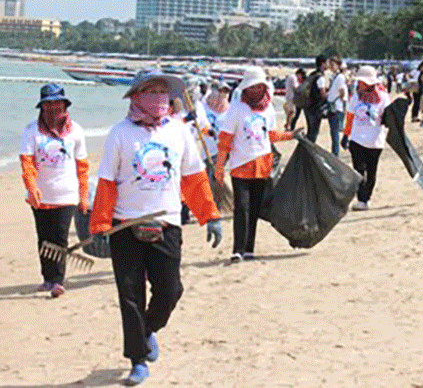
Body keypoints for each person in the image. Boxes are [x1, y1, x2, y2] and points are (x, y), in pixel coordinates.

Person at [90, 70, 222, 386]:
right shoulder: (120, 133)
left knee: (170, 289)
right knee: (130, 294)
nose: (159, 98)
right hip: (126, 225)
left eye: (163, 92)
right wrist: (100, 224)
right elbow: (107, 181)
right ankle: (137, 359)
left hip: (167, 223)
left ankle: (148, 330)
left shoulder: (178, 132)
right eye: (151, 91)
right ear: (137, 97)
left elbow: (194, 177)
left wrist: (210, 215)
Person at [215, 67, 296, 262]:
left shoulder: (268, 109)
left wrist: (291, 135)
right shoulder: (236, 108)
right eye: (254, 86)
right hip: (240, 166)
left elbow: (271, 136)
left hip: (262, 165)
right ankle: (237, 250)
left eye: (260, 86)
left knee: (255, 209)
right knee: (241, 208)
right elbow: (225, 139)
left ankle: (249, 249)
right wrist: (219, 167)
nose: (257, 90)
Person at [20, 84, 89, 298]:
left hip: (66, 194)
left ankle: (58, 281)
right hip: (40, 195)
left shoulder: (76, 131)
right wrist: (32, 188)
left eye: (56, 103)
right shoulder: (31, 131)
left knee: (59, 237)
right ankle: (47, 278)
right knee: (44, 238)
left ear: (64, 105)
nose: (52, 108)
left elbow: (82, 166)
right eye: (48, 104)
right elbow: (27, 163)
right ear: (41, 107)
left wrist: (84, 196)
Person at [341, 65, 391, 211]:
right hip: (357, 139)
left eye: (362, 82)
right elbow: (350, 116)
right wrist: (346, 135)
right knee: (358, 171)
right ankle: (361, 200)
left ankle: (366, 198)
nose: (359, 85)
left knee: (371, 171)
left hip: (376, 141)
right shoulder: (356, 97)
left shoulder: (383, 97)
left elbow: (389, 117)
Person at [303, 55, 328, 143]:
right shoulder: (320, 77)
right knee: (313, 133)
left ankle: (304, 153)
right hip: (315, 108)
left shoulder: (312, 74)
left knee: (310, 132)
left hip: (307, 106)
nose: (328, 65)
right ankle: (307, 154)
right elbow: (322, 94)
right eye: (327, 63)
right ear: (322, 64)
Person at [327, 56, 348, 156]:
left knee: (334, 132)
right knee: (333, 132)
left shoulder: (339, 77)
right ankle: (335, 152)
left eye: (333, 65)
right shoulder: (335, 76)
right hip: (335, 106)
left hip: (336, 107)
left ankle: (335, 153)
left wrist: (340, 101)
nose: (331, 67)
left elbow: (342, 92)